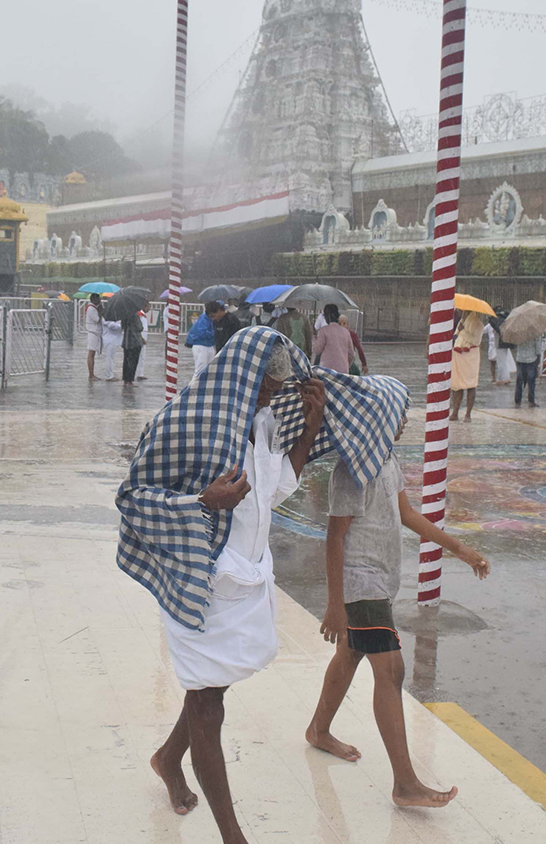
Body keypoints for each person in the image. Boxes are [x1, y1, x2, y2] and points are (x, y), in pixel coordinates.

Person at [117, 327, 404, 843]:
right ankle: (234, 837)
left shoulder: (263, 423)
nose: (270, 397)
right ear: (239, 377)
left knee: (214, 683)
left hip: (245, 578)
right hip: (197, 576)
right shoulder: (185, 421)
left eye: (276, 391)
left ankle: (166, 758)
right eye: (264, 389)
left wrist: (312, 426)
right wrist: (201, 503)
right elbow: (133, 496)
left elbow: (273, 489)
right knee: (208, 701)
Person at [306, 411, 490, 808]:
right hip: (360, 583)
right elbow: (334, 539)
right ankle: (405, 783)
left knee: (351, 654)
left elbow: (406, 514)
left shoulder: (386, 459)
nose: (402, 422)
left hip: (381, 579)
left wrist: (459, 549)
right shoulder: (350, 471)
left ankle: (318, 731)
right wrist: (335, 604)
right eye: (395, 416)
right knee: (392, 669)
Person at [449, 310, 486, 422]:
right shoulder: (462, 321)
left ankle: (468, 414)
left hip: (470, 356)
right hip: (458, 354)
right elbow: (456, 336)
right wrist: (459, 330)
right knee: (456, 384)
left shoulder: (478, 324)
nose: (461, 312)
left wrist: (463, 332)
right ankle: (455, 412)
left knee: (471, 385)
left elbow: (476, 340)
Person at [313, 304, 355, 374]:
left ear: (326, 317)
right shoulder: (346, 332)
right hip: (343, 370)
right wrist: (345, 365)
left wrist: (315, 339)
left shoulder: (323, 331)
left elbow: (317, 350)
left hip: (326, 370)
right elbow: (351, 354)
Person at [186, 301, 222, 380]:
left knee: (208, 369)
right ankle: (193, 387)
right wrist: (215, 333)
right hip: (201, 346)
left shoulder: (208, 319)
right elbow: (202, 333)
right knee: (200, 370)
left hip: (208, 345)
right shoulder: (204, 319)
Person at [513, 332, 544, 407]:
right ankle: (531, 400)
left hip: (520, 358)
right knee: (531, 382)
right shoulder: (536, 332)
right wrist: (538, 360)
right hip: (531, 359)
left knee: (519, 381)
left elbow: (515, 344)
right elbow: (538, 348)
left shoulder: (518, 331)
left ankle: (517, 400)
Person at [120, 311, 143, 386]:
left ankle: (125, 380)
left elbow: (122, 326)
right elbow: (140, 328)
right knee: (133, 361)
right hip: (134, 341)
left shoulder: (124, 315)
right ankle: (130, 380)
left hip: (126, 341)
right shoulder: (135, 315)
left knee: (126, 361)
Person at [84, 292, 103, 381]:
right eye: (98, 299)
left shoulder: (93, 308)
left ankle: (92, 374)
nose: (99, 301)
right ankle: (91, 375)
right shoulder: (91, 309)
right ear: (94, 300)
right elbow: (97, 319)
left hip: (96, 332)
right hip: (92, 332)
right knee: (91, 353)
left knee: (93, 353)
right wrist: (100, 311)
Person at [101, 313, 122, 381]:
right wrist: (122, 326)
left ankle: (110, 374)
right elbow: (112, 326)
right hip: (109, 339)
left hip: (112, 339)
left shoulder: (112, 315)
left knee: (111, 357)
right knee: (109, 358)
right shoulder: (106, 315)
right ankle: (109, 375)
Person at [135, 310, 149, 380]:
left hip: (144, 333)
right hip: (142, 334)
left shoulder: (142, 314)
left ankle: (140, 373)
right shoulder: (139, 314)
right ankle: (139, 373)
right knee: (140, 354)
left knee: (142, 355)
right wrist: (141, 337)